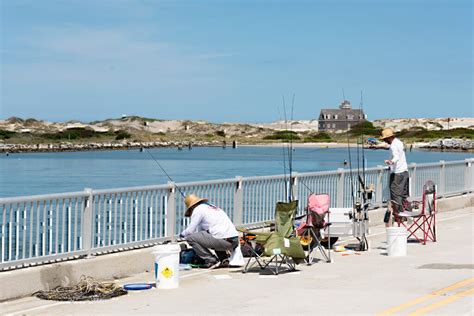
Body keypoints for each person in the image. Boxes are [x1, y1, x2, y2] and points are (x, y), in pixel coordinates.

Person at [179, 194, 239, 269]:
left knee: (190, 238)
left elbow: (190, 231)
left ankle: (211, 260)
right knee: (214, 233)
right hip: (234, 240)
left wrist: (182, 234)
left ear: (192, 207)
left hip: (224, 242)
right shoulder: (212, 207)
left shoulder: (198, 210)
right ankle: (224, 259)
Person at [373, 128, 410, 226]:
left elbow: (396, 156)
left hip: (397, 173)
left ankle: (398, 215)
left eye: (384, 138)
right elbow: (391, 148)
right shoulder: (398, 142)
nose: (384, 140)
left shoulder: (393, 146)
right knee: (403, 194)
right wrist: (379, 147)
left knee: (395, 194)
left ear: (388, 138)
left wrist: (391, 162)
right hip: (405, 172)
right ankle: (406, 212)